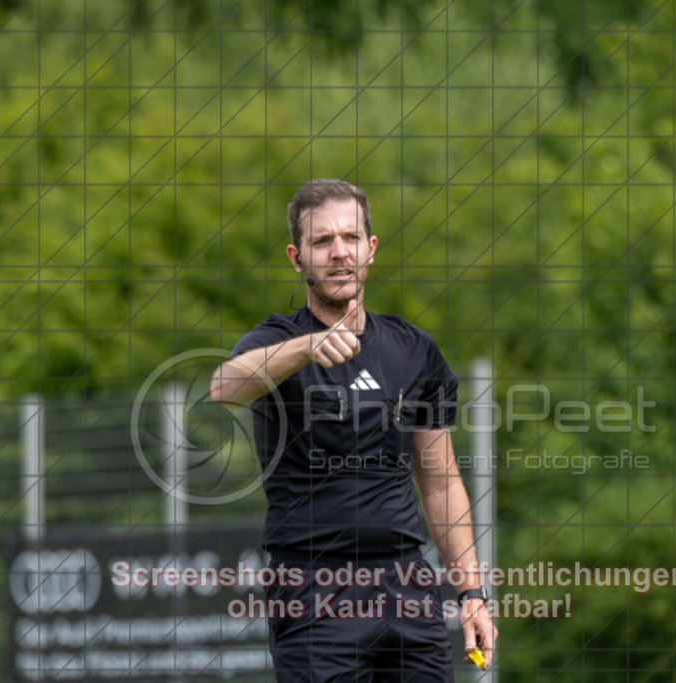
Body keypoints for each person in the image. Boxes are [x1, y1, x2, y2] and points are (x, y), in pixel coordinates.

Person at [210, 179, 497, 681]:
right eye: (322, 241)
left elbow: (440, 482)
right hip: (313, 590)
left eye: (351, 237)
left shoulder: (414, 349)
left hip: (408, 585)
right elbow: (224, 387)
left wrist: (471, 592)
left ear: (371, 248)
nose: (339, 252)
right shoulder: (276, 342)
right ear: (297, 258)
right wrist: (306, 349)